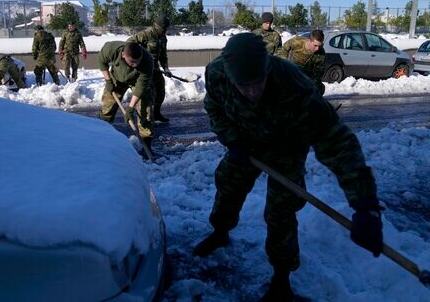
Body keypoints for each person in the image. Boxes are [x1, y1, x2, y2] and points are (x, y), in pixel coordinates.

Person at [194, 33, 383, 301]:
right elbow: (214, 109)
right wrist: (232, 140)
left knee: (280, 212)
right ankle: (220, 231)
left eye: (257, 83)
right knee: (227, 184)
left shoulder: (295, 87)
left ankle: (281, 277)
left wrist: (365, 205)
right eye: (242, 86)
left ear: (268, 70)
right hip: (246, 142)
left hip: (287, 147)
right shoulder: (217, 74)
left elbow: (338, 144)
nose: (250, 92)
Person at [97, 41, 155, 152]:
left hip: (137, 82)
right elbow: (101, 60)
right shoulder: (111, 49)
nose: (136, 65)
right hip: (117, 79)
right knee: (107, 109)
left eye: (138, 62)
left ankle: (146, 146)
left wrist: (130, 107)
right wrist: (108, 80)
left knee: (145, 110)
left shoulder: (147, 60)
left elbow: (140, 87)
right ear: (123, 55)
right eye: (132, 62)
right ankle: (100, 139)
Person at [127, 15, 172, 122]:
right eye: (163, 28)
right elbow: (129, 43)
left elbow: (163, 55)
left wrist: (166, 68)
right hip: (144, 68)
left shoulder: (163, 38)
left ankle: (156, 113)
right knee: (147, 94)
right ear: (156, 26)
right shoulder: (145, 34)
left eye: (166, 29)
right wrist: (138, 59)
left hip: (155, 68)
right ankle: (146, 118)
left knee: (160, 89)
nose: (165, 31)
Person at [275, 29, 326, 95]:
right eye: (315, 45)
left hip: (306, 77)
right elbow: (284, 49)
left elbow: (318, 73)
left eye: (320, 46)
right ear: (309, 41)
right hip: (292, 72)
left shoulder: (321, 53)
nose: (317, 49)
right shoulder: (297, 41)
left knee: (319, 89)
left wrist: (315, 85)